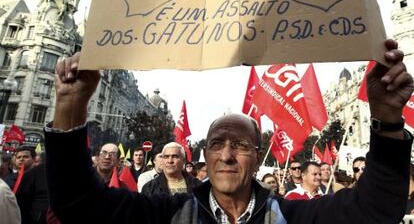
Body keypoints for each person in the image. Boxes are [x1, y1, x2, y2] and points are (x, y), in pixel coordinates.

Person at [45, 39, 413, 223]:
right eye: (216, 144)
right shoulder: (169, 214)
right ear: (203, 155)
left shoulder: (291, 216)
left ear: (256, 155)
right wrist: (70, 105)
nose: (225, 155)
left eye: (239, 145)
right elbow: (77, 203)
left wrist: (386, 118)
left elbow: (377, 207)